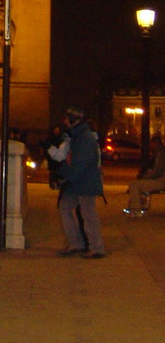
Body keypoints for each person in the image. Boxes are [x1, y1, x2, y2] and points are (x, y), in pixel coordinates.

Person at [55, 105, 106, 258]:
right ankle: (77, 243)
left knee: (88, 214)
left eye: (66, 119)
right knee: (65, 207)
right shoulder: (77, 136)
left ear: (73, 121)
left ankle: (96, 247)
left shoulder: (84, 138)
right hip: (78, 182)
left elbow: (80, 164)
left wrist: (65, 176)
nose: (64, 121)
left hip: (85, 182)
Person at [124, 133, 165, 216]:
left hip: (161, 181)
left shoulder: (160, 154)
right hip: (161, 179)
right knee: (138, 184)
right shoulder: (159, 153)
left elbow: (156, 171)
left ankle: (135, 209)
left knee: (134, 185)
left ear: (155, 143)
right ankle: (136, 207)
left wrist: (145, 177)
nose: (150, 146)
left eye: (151, 144)